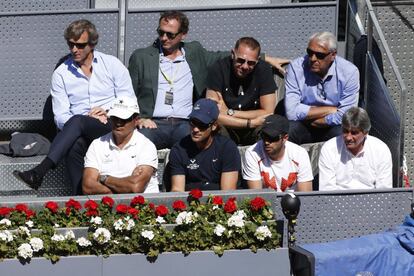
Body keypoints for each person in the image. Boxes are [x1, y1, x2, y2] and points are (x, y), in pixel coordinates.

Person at [128, 10, 287, 149]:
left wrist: (265, 58)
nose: (163, 38)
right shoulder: (141, 57)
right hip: (153, 122)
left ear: (183, 35)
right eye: (160, 32)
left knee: (201, 144)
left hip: (187, 123)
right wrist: (138, 118)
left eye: (170, 34)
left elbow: (225, 56)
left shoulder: (194, 52)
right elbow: (128, 93)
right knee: (139, 144)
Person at [13, 19, 136, 194]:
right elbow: (61, 117)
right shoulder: (61, 74)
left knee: (78, 121)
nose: (74, 50)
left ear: (92, 44)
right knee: (74, 141)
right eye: (71, 44)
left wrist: (108, 110)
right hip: (79, 129)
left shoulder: (112, 65)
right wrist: (86, 118)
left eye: (80, 45)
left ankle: (40, 171)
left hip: (112, 125)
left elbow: (129, 100)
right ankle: (81, 198)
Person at [284, 31, 359, 144]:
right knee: (289, 130)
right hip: (302, 125)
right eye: (309, 52)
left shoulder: (349, 72)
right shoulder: (296, 68)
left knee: (343, 133)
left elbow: (346, 115)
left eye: (320, 55)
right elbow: (291, 112)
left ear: (333, 55)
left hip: (331, 126)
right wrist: (330, 109)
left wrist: (316, 120)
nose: (313, 58)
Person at [206, 37, 277, 145]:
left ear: (258, 60)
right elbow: (213, 114)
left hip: (254, 128)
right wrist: (250, 123)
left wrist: (231, 113)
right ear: (232, 54)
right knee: (213, 126)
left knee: (270, 127)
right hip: (228, 127)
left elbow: (268, 112)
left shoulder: (264, 69)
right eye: (240, 60)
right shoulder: (218, 68)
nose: (245, 66)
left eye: (251, 63)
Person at [82, 97, 159, 194]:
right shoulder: (97, 144)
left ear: (136, 120)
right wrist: (125, 186)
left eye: (124, 119)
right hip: (107, 206)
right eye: (114, 118)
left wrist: (103, 178)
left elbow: (136, 187)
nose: (118, 123)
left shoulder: (146, 146)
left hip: (142, 207)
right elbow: (88, 186)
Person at [169, 98, 240, 191]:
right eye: (192, 123)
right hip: (190, 202)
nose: (195, 129)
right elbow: (177, 190)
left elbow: (227, 191)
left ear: (214, 126)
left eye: (202, 125)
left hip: (218, 202)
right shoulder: (179, 149)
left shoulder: (227, 148)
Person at [318, 107, 392, 190]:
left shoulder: (381, 150)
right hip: (337, 201)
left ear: (366, 132)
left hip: (371, 201)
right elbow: (327, 190)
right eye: (345, 131)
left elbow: (384, 191)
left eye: (354, 133)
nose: (348, 137)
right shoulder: (329, 148)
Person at [242, 114, 313, 192]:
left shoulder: (300, 154)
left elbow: (305, 195)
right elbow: (257, 196)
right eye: (263, 136)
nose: (266, 142)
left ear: (285, 138)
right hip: (267, 203)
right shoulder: (253, 153)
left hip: (294, 202)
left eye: (272, 137)